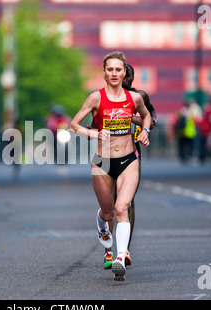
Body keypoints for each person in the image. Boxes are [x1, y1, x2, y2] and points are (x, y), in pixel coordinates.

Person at [70, 51, 151, 281]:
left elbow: (145, 116)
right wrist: (91, 133)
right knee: (107, 213)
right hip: (102, 162)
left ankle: (120, 257)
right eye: (110, 70)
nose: (114, 73)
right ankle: (102, 226)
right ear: (104, 73)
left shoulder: (134, 99)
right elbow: (74, 124)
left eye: (118, 69)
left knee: (121, 208)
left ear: (124, 72)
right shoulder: (95, 98)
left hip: (128, 160)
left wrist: (144, 131)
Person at [97, 63, 157, 270]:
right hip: (106, 154)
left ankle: (124, 251)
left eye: (128, 77)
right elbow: (95, 122)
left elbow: (152, 118)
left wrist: (137, 123)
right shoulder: (103, 98)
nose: (125, 81)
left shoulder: (139, 97)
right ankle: (109, 250)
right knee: (110, 207)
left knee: (126, 203)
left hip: (131, 152)